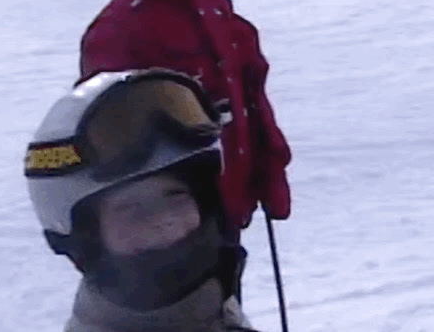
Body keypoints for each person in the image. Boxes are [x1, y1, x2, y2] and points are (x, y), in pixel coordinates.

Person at [77, 0, 292, 271]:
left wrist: (269, 169)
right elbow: (110, 138)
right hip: (168, 226)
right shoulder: (119, 28)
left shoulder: (214, 5)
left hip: (229, 201)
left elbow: (251, 97)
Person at [25, 69, 259, 332]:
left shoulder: (216, 313)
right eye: (131, 209)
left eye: (176, 196)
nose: (163, 220)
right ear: (85, 237)